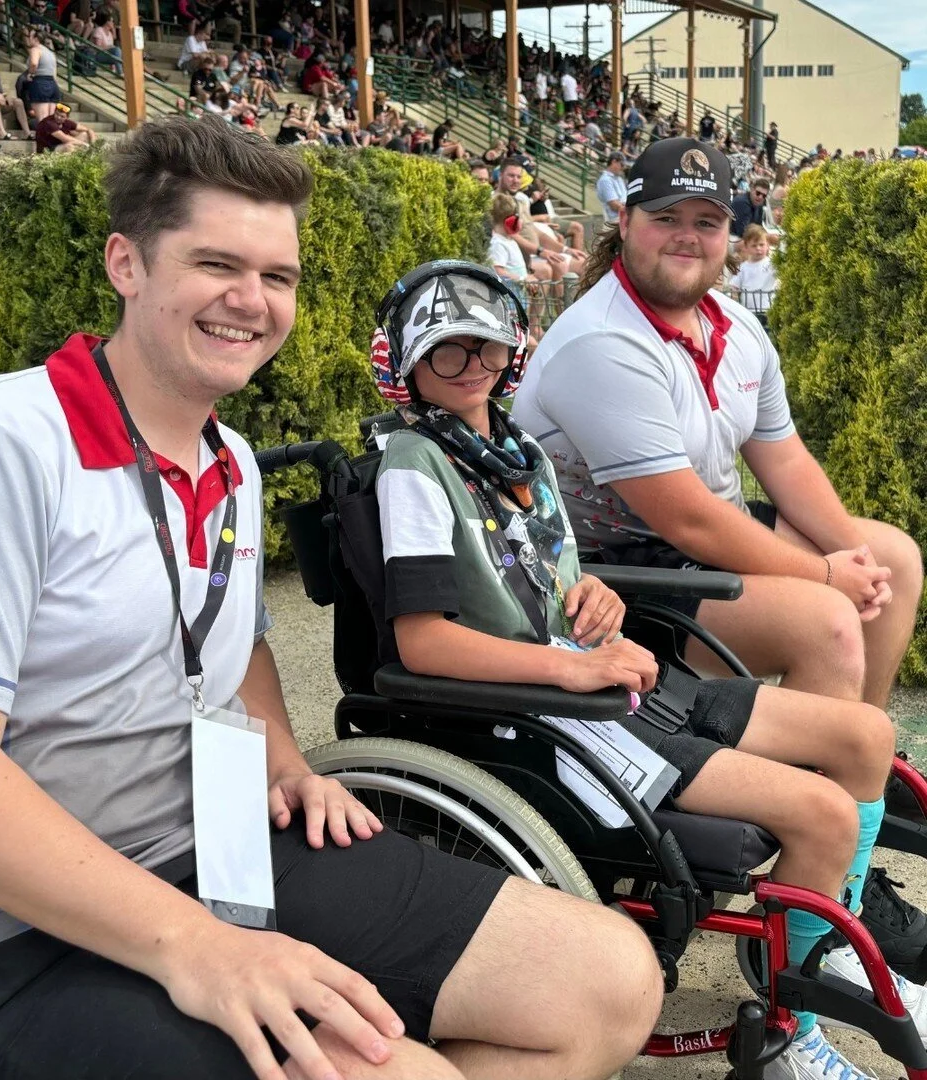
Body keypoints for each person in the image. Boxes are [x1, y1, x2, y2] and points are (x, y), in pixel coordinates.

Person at [0, 114, 662, 1080]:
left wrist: (283, 762)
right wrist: (198, 949)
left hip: (217, 850)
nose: (251, 301)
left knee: (611, 980)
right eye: (215, 264)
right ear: (127, 264)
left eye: (277, 277)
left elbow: (240, 645)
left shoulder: (231, 461)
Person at [369, 258, 921, 1080]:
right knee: (822, 814)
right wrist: (565, 670)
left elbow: (552, 581)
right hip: (546, 709)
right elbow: (423, 643)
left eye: (487, 347)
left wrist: (594, 597)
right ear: (407, 360)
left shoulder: (513, 454)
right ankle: (789, 1031)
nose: (473, 365)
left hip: (604, 678)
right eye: (448, 351)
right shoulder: (414, 465)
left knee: (867, 737)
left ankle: (826, 944)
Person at [510, 137, 926, 962]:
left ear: (732, 232)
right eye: (666, 217)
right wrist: (823, 575)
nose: (688, 236)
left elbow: (785, 461)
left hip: (687, 547)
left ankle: (846, 822)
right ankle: (811, 890)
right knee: (827, 621)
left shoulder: (733, 326)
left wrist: (854, 557)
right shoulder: (603, 340)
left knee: (896, 558)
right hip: (608, 574)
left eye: (709, 220)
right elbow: (688, 521)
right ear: (624, 221)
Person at [728, 224, 778, 329]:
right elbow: (734, 286)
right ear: (746, 247)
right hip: (749, 311)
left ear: (768, 245)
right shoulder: (743, 267)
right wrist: (734, 299)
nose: (758, 249)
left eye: (762, 245)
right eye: (754, 246)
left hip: (769, 310)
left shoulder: (772, 264)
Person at [23, 25, 61, 121]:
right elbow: (54, 72)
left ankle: (42, 135)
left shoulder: (35, 49)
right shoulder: (50, 52)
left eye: (30, 37)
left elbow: (34, 63)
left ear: (35, 38)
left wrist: (31, 73)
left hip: (40, 83)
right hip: (52, 84)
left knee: (42, 119)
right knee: (51, 120)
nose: (28, 39)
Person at [596, 149, 627, 224]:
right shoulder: (605, 180)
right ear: (614, 162)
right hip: (615, 221)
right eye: (621, 165)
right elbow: (614, 205)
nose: (623, 168)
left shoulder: (619, 179)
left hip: (624, 218)